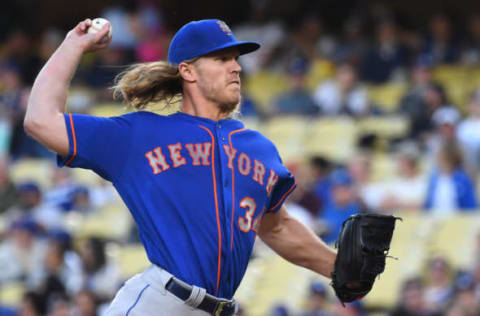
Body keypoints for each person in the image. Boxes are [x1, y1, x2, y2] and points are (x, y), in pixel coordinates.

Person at [24, 18, 337, 316]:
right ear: (188, 71)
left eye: (236, 59)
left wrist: (338, 269)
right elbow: (41, 121)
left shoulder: (259, 148)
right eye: (222, 59)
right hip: (160, 303)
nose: (236, 67)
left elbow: (277, 226)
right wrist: (71, 46)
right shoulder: (139, 135)